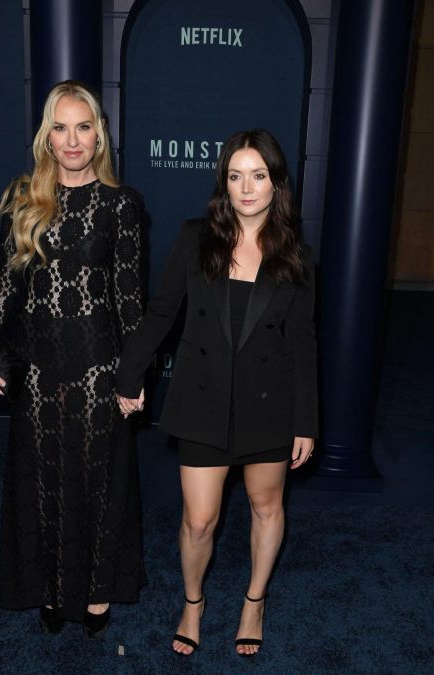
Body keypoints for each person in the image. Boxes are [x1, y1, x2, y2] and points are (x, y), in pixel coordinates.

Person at [116, 129, 318, 657]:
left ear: (277, 183)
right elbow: (162, 310)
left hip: (269, 403)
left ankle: (254, 601)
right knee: (199, 519)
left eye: (258, 175)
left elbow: (302, 343)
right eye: (235, 176)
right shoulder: (194, 237)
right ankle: (193, 600)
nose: (246, 188)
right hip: (202, 400)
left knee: (265, 505)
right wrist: (130, 373)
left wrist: (306, 421)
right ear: (223, 182)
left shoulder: (296, 255)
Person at [0, 80, 146, 638]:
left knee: (98, 481)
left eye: (84, 127)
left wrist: (133, 373)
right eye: (61, 127)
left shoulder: (122, 205)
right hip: (40, 368)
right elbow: (4, 283)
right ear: (47, 136)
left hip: (99, 367)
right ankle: (47, 588)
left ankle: (96, 592)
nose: (72, 140)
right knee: (42, 478)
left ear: (99, 136)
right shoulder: (27, 201)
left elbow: (129, 300)